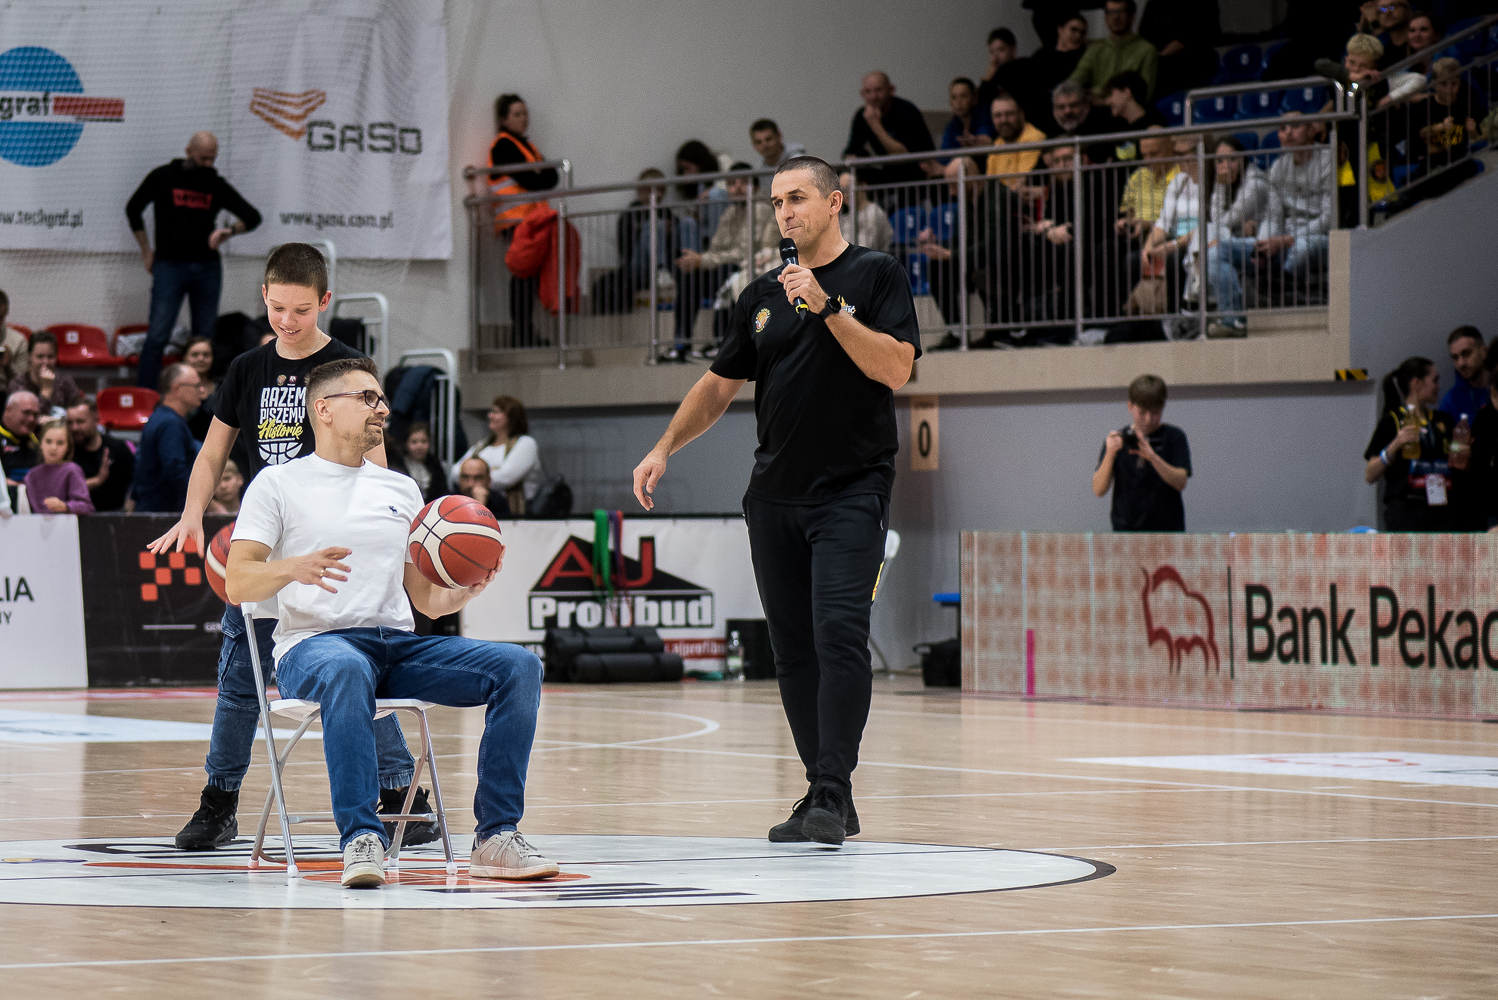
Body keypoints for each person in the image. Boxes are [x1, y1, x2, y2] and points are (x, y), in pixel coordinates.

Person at [632, 156, 920, 847]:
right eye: (776, 202)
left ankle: (832, 790)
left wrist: (827, 309)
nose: (785, 212)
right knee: (792, 651)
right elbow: (717, 386)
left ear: (834, 202)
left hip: (852, 489)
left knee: (838, 635)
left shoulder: (876, 274)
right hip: (773, 497)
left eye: (797, 198)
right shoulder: (759, 294)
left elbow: (896, 369)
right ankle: (825, 791)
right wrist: (665, 446)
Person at [225, 355, 556, 888]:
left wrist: (464, 590)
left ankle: (496, 836)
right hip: (312, 647)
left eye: (381, 399)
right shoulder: (277, 484)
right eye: (368, 398)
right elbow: (237, 582)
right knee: (346, 668)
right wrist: (293, 568)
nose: (382, 408)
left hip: (396, 648)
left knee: (518, 666)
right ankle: (362, 837)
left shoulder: (400, 489)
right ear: (324, 409)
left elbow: (426, 602)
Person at [147, 243, 427, 852]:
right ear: (265, 298)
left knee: (362, 670)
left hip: (335, 553)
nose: (287, 321)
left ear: (324, 301)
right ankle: (219, 803)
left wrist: (385, 532)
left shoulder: (349, 367)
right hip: (267, 549)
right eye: (277, 308)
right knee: (239, 684)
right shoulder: (248, 368)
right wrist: (192, 513)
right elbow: (213, 453)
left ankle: (404, 795)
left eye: (301, 310)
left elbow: (376, 461)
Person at [126, 131, 261, 391]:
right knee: (158, 335)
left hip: (206, 267)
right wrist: (146, 250)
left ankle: (200, 397)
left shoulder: (215, 184)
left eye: (212, 159)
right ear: (188, 152)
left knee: (203, 339)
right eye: (203, 159)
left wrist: (229, 231)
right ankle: (146, 397)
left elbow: (253, 216)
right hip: (169, 265)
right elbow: (133, 208)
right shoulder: (163, 177)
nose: (208, 164)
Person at [674, 164, 780, 357]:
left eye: (743, 182)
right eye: (731, 184)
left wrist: (703, 260)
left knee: (726, 274)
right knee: (690, 277)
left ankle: (721, 341)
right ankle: (681, 344)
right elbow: (716, 248)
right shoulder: (730, 212)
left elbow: (743, 254)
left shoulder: (760, 209)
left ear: (755, 187)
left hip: (753, 268)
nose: (737, 188)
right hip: (729, 266)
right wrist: (699, 261)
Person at [489, 95, 559, 349]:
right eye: (517, 114)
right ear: (503, 119)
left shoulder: (527, 146)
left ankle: (526, 332)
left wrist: (538, 175)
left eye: (525, 113)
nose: (523, 118)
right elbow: (533, 180)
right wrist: (537, 174)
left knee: (529, 279)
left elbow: (551, 177)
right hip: (516, 221)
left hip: (531, 221)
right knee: (523, 277)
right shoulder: (503, 146)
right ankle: (521, 333)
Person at [1364, 356, 1454, 531]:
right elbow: (1370, 475)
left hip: (1441, 511)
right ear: (1416, 384)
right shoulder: (1392, 421)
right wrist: (1394, 445)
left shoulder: (1444, 420)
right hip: (1406, 512)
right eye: (1435, 380)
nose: (1439, 386)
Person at [1092, 374, 1191, 531]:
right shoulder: (1118, 440)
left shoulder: (1174, 437)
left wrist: (1152, 457)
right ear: (1130, 407)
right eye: (1142, 413)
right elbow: (1098, 490)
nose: (1149, 419)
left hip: (1167, 530)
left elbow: (1181, 482)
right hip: (1126, 532)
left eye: (1155, 412)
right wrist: (1110, 454)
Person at [1203, 136, 1280, 337]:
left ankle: (1221, 313)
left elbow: (1224, 220)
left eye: (1232, 159)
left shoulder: (1255, 184)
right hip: (1245, 243)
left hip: (1268, 245)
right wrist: (1221, 184)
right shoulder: (1232, 184)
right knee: (1212, 249)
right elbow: (1219, 221)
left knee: (1214, 249)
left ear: (1243, 159)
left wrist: (1220, 185)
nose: (1226, 166)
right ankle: (1230, 319)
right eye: (1220, 161)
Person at [1255, 115, 1335, 282]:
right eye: (1283, 128)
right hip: (1283, 240)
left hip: (1321, 237)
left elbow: (1329, 218)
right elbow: (1273, 216)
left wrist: (1289, 239)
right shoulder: (1278, 166)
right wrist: (1262, 244)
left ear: (1312, 130)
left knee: (1302, 247)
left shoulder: (1328, 159)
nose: (1288, 132)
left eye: (1296, 126)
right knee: (1224, 250)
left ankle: (1286, 287)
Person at [842, 71, 937, 188]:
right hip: (887, 172)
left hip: (915, 173)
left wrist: (875, 125)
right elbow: (851, 150)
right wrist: (853, 160)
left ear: (891, 90)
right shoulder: (862, 115)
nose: (873, 97)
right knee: (844, 176)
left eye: (878, 90)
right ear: (862, 94)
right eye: (868, 92)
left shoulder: (906, 111)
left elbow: (902, 156)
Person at [452, 396, 543, 516]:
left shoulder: (526, 443)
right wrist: (491, 470)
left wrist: (479, 473)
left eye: (496, 412)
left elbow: (505, 478)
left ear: (512, 417)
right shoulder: (483, 445)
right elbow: (455, 472)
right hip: (483, 506)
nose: (490, 415)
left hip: (515, 512)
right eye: (491, 411)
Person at [134, 363, 203, 513]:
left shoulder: (160, 418)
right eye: (196, 386)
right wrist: (205, 504)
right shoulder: (170, 424)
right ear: (177, 388)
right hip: (165, 513)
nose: (202, 390)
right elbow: (175, 471)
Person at [1070, 0, 1160, 105]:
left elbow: (1145, 95)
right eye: (1110, 12)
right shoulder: (1096, 48)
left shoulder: (1147, 50)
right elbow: (1076, 79)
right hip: (1095, 108)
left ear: (1132, 16)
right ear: (1105, 17)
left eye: (1120, 12)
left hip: (1128, 110)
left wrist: (1100, 96)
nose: (1115, 18)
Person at [1137, 0, 1220, 98]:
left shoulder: (1204, 4)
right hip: (1158, 68)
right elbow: (1143, 36)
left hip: (1194, 66)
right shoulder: (1153, 4)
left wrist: (1159, 57)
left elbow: (1192, 36)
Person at [67, 398, 136, 513]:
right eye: (69, 422)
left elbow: (135, 481)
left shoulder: (118, 448)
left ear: (96, 419)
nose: (74, 428)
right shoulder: (66, 452)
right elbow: (64, 489)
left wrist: (131, 503)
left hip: (116, 514)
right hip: (78, 516)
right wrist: (97, 480)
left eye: (80, 422)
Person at [1027, 10, 1092, 124]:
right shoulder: (1041, 56)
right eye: (1073, 30)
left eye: (1082, 33)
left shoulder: (1084, 58)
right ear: (1060, 29)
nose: (1078, 36)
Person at [23, 419, 94, 515]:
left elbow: (87, 506)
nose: (53, 447)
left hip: (66, 523)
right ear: (41, 444)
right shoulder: (31, 475)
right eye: (48, 441)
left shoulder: (72, 470)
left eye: (60, 443)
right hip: (36, 523)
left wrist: (66, 506)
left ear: (68, 447)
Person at [6, 331, 85, 415]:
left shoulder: (65, 382)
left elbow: (77, 415)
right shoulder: (18, 385)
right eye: (40, 357)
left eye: (50, 357)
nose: (45, 362)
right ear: (29, 357)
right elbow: (29, 419)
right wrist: (46, 391)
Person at [1101, 71, 1168, 163]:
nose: (1108, 101)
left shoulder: (1156, 122)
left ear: (1127, 92)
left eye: (1111, 94)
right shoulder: (1114, 127)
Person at [986, 94, 1048, 190]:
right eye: (997, 115)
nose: (1003, 120)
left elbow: (1021, 184)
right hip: (1002, 196)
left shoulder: (1033, 138)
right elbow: (990, 183)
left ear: (1021, 115)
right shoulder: (998, 142)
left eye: (1009, 114)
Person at [838, 166, 896, 254]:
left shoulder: (873, 213)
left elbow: (864, 248)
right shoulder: (845, 217)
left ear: (862, 186)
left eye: (848, 188)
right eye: (841, 190)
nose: (845, 194)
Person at [941, 78, 997, 167]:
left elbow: (986, 139)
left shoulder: (985, 117)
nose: (958, 102)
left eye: (963, 96)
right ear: (950, 102)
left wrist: (977, 142)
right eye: (954, 97)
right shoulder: (952, 127)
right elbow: (944, 157)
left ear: (974, 98)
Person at [390, 422, 449, 505]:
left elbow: (443, 493)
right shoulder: (397, 466)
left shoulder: (436, 466)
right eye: (414, 442)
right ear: (405, 444)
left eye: (423, 441)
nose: (419, 446)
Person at [1, 391, 41, 505]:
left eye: (35, 415)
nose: (31, 419)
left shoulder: (41, 438)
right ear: (8, 410)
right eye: (26, 413)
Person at [975, 28, 1024, 122]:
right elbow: (982, 103)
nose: (995, 57)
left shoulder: (1021, 68)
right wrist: (988, 76)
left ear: (1012, 49)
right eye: (992, 52)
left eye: (1001, 50)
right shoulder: (994, 75)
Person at [1439, 326, 1487, 420]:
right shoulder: (1451, 401)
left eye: (1466, 353)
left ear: (1484, 352)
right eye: (1455, 358)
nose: (1460, 364)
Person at [183, 337, 217, 441]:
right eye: (195, 355)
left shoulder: (223, 387)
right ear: (184, 357)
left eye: (206, 355)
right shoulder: (177, 389)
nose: (201, 359)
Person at [0, 289, 28, 385]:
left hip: (6, 391)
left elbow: (24, 384)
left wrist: (8, 368)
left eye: (0, 317)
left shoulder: (19, 341)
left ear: (6, 312)